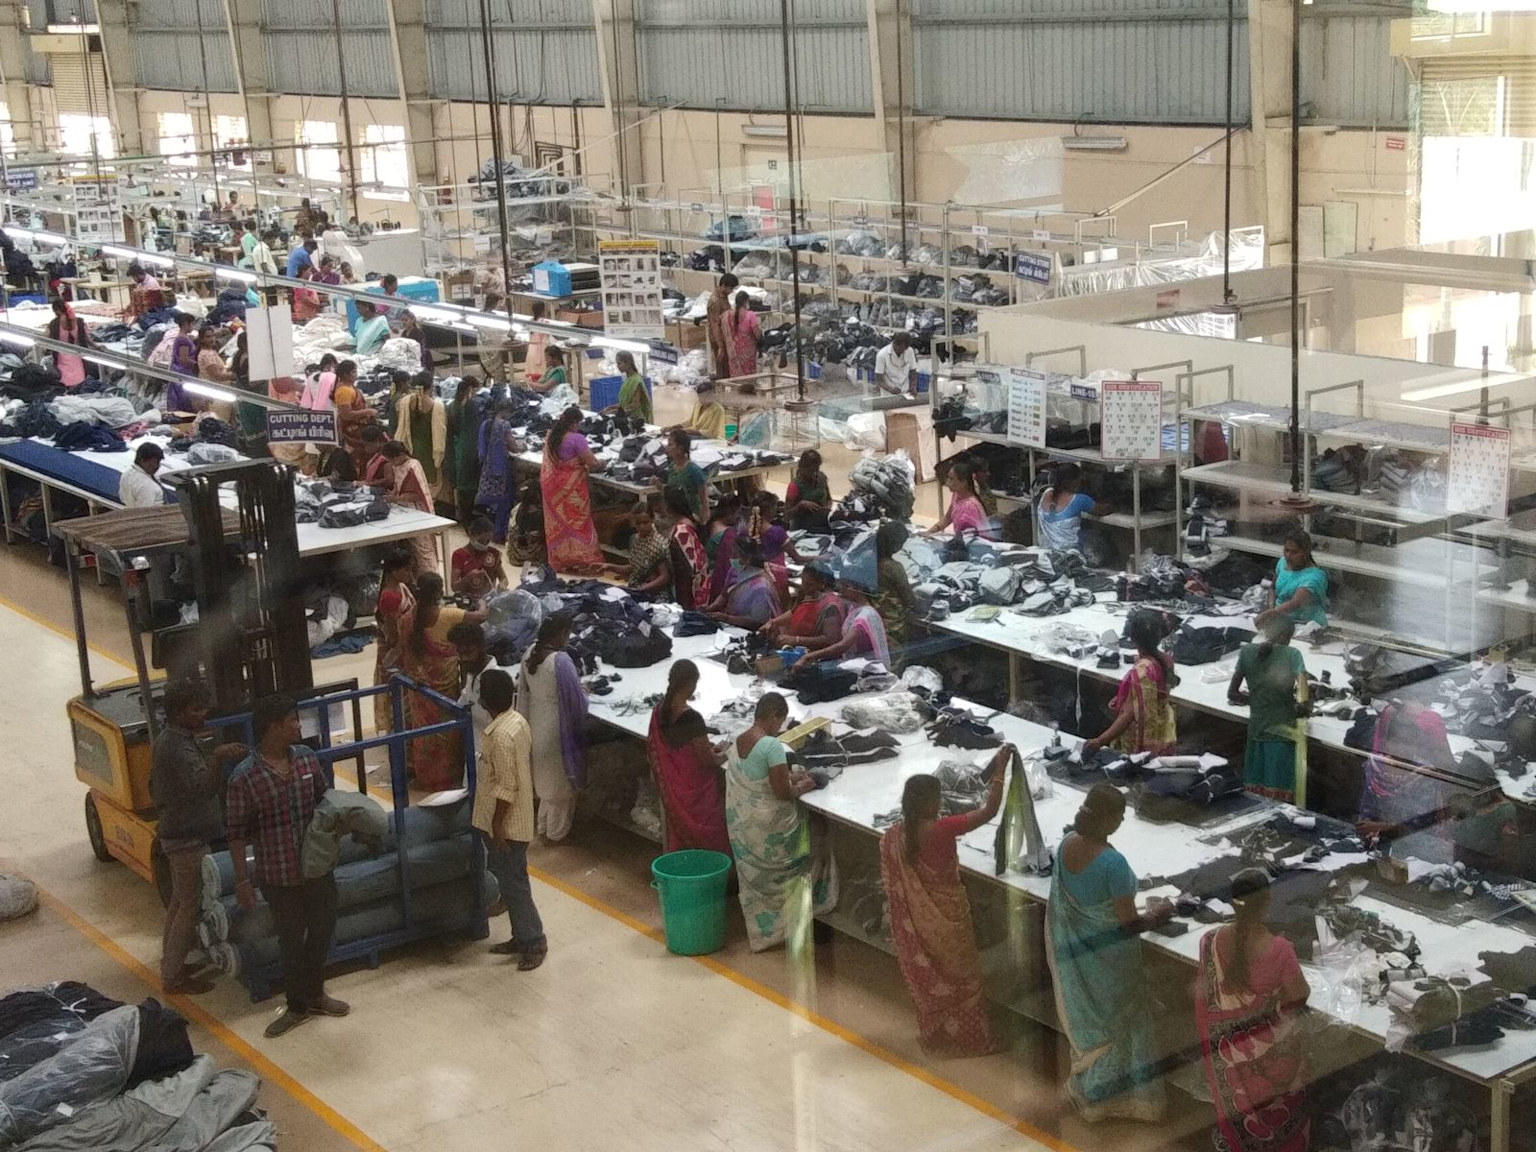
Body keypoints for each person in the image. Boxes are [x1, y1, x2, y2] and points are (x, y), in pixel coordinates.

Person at [1046, 783, 1171, 1122]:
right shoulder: (1113, 864)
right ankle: (1122, 1101)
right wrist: (1157, 915)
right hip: (1112, 964)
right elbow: (1128, 924)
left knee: (1095, 1026)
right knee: (1122, 1027)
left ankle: (1090, 1092)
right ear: (1112, 820)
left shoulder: (1067, 843)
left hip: (1081, 960)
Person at [226, 695, 348, 1039]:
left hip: (316, 869)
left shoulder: (308, 761)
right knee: (292, 940)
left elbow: (326, 801)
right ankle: (297, 1005)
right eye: (292, 720)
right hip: (277, 875)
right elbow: (235, 834)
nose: (299, 725)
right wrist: (241, 881)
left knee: (323, 930)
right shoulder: (245, 778)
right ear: (272, 727)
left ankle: (316, 993)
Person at [881, 752, 1010, 1055]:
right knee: (964, 980)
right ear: (929, 804)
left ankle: (937, 1033)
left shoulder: (897, 835)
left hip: (920, 923)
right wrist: (1001, 772)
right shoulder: (942, 829)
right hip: (948, 920)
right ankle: (972, 1040)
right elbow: (989, 811)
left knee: (935, 976)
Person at [1195, 870, 1311, 1152]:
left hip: (1228, 1052)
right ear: (1268, 901)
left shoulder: (1209, 941)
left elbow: (1207, 995)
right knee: (1283, 1097)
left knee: (1240, 1104)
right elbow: (1299, 995)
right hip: (1266, 1051)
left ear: (1232, 902)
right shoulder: (1279, 949)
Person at [151, 680, 245, 995]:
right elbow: (202, 788)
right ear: (178, 713)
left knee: (180, 902)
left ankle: (171, 965)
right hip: (186, 837)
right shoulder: (176, 747)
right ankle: (173, 978)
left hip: (180, 832)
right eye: (195, 709)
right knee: (189, 906)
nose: (202, 714)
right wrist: (218, 757)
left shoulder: (175, 739)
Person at [725, 692, 835, 952]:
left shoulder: (738, 739)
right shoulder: (771, 747)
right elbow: (782, 793)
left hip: (745, 831)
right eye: (781, 722)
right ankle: (812, 916)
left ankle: (764, 929)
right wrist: (806, 784)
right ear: (773, 716)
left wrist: (790, 778)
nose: (780, 729)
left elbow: (760, 781)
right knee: (819, 843)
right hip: (770, 833)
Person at [474, 668, 547, 969]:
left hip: (506, 825)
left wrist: (496, 825)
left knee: (514, 884)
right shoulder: (516, 722)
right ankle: (521, 936)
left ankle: (533, 941)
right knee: (511, 881)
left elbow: (506, 786)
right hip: (517, 820)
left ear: (484, 701)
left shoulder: (500, 737)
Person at [401, 572, 484, 790]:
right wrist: (483, 599)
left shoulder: (407, 619)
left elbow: (404, 653)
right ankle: (448, 780)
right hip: (445, 687)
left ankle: (427, 777)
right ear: (439, 592)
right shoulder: (448, 615)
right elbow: (481, 616)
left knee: (425, 734)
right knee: (448, 734)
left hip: (419, 686)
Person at [515, 614, 588, 843]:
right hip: (557, 727)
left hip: (537, 722)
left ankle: (544, 826)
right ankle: (557, 834)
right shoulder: (560, 661)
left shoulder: (530, 653)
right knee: (562, 785)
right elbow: (577, 704)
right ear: (560, 634)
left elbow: (524, 693)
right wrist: (584, 691)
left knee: (545, 780)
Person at [648, 659, 730, 855]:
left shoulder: (660, 711)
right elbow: (707, 761)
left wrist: (707, 747)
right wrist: (727, 754)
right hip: (695, 790)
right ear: (691, 683)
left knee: (679, 833)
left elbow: (677, 748)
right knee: (713, 832)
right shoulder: (691, 718)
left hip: (674, 787)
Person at [1228, 617, 1310, 804]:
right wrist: (1301, 706)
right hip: (1282, 730)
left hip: (1257, 727)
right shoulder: (1293, 654)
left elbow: (1232, 694)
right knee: (1280, 788)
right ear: (1285, 636)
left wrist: (1258, 699)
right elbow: (1304, 696)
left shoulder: (1247, 652)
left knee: (1257, 788)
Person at [1083, 613, 1176, 756]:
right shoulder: (1166, 660)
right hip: (1163, 729)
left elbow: (1128, 715)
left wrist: (1099, 741)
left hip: (1142, 738)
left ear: (1132, 639)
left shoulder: (1142, 671)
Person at [541, 406, 605, 572]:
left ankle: (561, 559)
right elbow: (593, 464)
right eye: (578, 423)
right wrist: (603, 463)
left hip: (555, 488)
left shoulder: (551, 437)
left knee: (561, 523)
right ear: (574, 423)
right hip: (573, 488)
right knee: (578, 521)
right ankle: (583, 558)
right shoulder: (577, 439)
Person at [799, 574, 890, 668]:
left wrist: (809, 656)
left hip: (867, 668)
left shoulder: (865, 615)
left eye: (846, 586)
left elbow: (843, 645)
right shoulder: (852, 608)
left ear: (859, 589)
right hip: (854, 664)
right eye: (841, 586)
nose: (842, 590)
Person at [371, 548, 415, 735]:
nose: (410, 574)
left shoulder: (401, 587)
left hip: (404, 647)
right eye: (406, 570)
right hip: (395, 652)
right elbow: (392, 634)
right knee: (397, 696)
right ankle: (398, 733)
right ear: (394, 571)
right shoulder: (390, 596)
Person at [380, 440, 440, 575]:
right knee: (407, 548)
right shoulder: (396, 466)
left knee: (423, 549)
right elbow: (397, 486)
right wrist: (392, 495)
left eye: (392, 459)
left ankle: (431, 580)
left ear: (401, 455)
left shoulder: (413, 466)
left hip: (418, 513)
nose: (391, 463)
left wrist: (395, 498)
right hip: (403, 510)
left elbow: (417, 495)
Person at [1256, 531, 1329, 630]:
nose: (1288, 555)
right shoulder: (1282, 563)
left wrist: (1271, 614)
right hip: (1280, 619)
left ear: (1305, 553)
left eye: (1294, 552)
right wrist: (1271, 608)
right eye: (1286, 550)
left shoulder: (1314, 577)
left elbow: (1295, 603)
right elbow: (1273, 588)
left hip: (1305, 625)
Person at [395, 372, 448, 508]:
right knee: (429, 488)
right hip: (429, 453)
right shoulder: (436, 406)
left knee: (414, 483)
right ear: (431, 386)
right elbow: (441, 431)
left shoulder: (405, 403)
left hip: (411, 451)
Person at [765, 562, 845, 651]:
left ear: (822, 583)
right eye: (802, 582)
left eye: (809, 584)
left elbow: (830, 639)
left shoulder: (830, 606)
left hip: (818, 655)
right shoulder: (809, 594)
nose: (804, 587)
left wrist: (796, 640)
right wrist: (773, 622)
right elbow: (794, 612)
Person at [706, 537, 781, 630]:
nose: (731, 558)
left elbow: (758, 621)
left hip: (751, 631)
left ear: (747, 558)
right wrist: (711, 607)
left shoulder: (761, 587)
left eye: (735, 555)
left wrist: (725, 618)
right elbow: (724, 595)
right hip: (731, 626)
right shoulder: (734, 570)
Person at [1036, 463, 1108, 552]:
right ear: (1075, 481)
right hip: (1069, 554)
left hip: (1045, 550)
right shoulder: (1079, 500)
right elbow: (1102, 510)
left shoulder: (1047, 493)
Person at [476, 397, 518, 543]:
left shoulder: (486, 423)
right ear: (506, 412)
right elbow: (513, 446)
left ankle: (490, 530)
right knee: (505, 501)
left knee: (492, 502)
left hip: (487, 468)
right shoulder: (504, 425)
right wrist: (522, 446)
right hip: (500, 468)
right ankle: (499, 534)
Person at [604, 501, 670, 593]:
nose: (642, 527)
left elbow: (664, 577)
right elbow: (633, 568)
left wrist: (642, 589)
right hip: (635, 588)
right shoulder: (634, 540)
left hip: (654, 594)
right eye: (638, 523)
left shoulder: (659, 544)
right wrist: (609, 567)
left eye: (645, 522)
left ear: (652, 519)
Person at [447, 376, 488, 523]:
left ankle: (464, 515)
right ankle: (470, 517)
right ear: (470, 389)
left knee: (461, 482)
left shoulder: (451, 406)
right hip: (470, 446)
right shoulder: (473, 405)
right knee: (471, 482)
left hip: (457, 446)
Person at [664, 485, 710, 610]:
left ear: (668, 507)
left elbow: (686, 571)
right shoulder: (690, 521)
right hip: (696, 586)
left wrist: (684, 603)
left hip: (688, 592)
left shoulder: (681, 533)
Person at [873, 520, 917, 650]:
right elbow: (909, 600)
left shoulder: (867, 559)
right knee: (895, 662)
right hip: (892, 625)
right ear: (897, 545)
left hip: (871, 619)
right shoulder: (894, 568)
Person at [451, 620, 495, 747]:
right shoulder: (472, 673)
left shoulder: (494, 681)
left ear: (481, 647)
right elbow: (460, 705)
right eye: (460, 653)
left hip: (490, 752)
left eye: (468, 652)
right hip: (473, 746)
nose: (463, 659)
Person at [925, 460, 994, 541]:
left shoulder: (970, 506)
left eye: (951, 479)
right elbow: (948, 518)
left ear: (963, 482)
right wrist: (929, 532)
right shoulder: (956, 495)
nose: (947, 483)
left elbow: (970, 539)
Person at [452, 515, 509, 599]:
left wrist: (502, 584)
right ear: (471, 535)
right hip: (467, 600)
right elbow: (454, 587)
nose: (485, 544)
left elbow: (503, 578)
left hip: (489, 598)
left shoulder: (493, 554)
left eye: (488, 541)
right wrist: (468, 577)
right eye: (481, 541)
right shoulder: (459, 555)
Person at [662, 427, 710, 523]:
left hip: (692, 515)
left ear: (680, 449)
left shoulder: (693, 470)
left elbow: (703, 497)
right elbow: (670, 490)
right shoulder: (672, 467)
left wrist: (704, 515)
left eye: (670, 444)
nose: (666, 447)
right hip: (676, 515)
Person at [47, 299, 95, 388]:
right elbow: (87, 340)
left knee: (65, 386)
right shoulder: (79, 322)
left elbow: (45, 338)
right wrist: (97, 347)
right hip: (77, 359)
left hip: (61, 359)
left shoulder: (54, 324)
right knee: (79, 385)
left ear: (57, 310)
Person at [784, 449, 832, 531]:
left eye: (817, 469)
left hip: (822, 522)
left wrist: (826, 510)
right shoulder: (794, 486)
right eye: (811, 471)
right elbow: (786, 516)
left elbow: (829, 499)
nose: (815, 474)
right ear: (802, 468)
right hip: (802, 528)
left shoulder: (821, 478)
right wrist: (800, 506)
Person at [706, 272, 739, 378]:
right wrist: (720, 346)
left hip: (725, 336)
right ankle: (722, 388)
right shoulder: (715, 301)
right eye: (731, 288)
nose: (731, 291)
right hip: (719, 338)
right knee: (722, 366)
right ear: (724, 285)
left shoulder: (723, 297)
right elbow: (715, 324)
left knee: (727, 366)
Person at [722, 290, 761, 379]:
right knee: (748, 376)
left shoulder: (728, 315)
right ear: (746, 301)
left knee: (736, 377)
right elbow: (757, 334)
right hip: (748, 352)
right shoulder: (750, 315)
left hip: (733, 351)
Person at [609, 350, 653, 423]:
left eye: (619, 363)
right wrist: (610, 408)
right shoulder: (628, 380)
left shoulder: (636, 381)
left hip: (637, 420)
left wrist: (617, 411)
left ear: (628, 363)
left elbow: (635, 404)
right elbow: (625, 403)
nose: (617, 366)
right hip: (628, 417)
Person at [120, 442, 166, 508]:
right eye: (155, 462)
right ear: (143, 460)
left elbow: (122, 498)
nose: (157, 466)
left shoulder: (125, 475)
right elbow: (145, 512)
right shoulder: (148, 486)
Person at [874, 331, 919, 398]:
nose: (904, 351)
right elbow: (879, 380)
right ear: (895, 344)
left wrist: (913, 386)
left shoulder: (909, 351)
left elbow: (913, 372)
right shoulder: (882, 355)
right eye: (902, 348)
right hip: (888, 396)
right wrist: (890, 389)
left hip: (905, 394)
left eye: (906, 348)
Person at [522, 299, 548, 382]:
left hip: (531, 350)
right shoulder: (545, 322)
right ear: (543, 310)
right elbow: (547, 336)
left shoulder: (530, 321)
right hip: (541, 351)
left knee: (532, 377)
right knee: (542, 377)